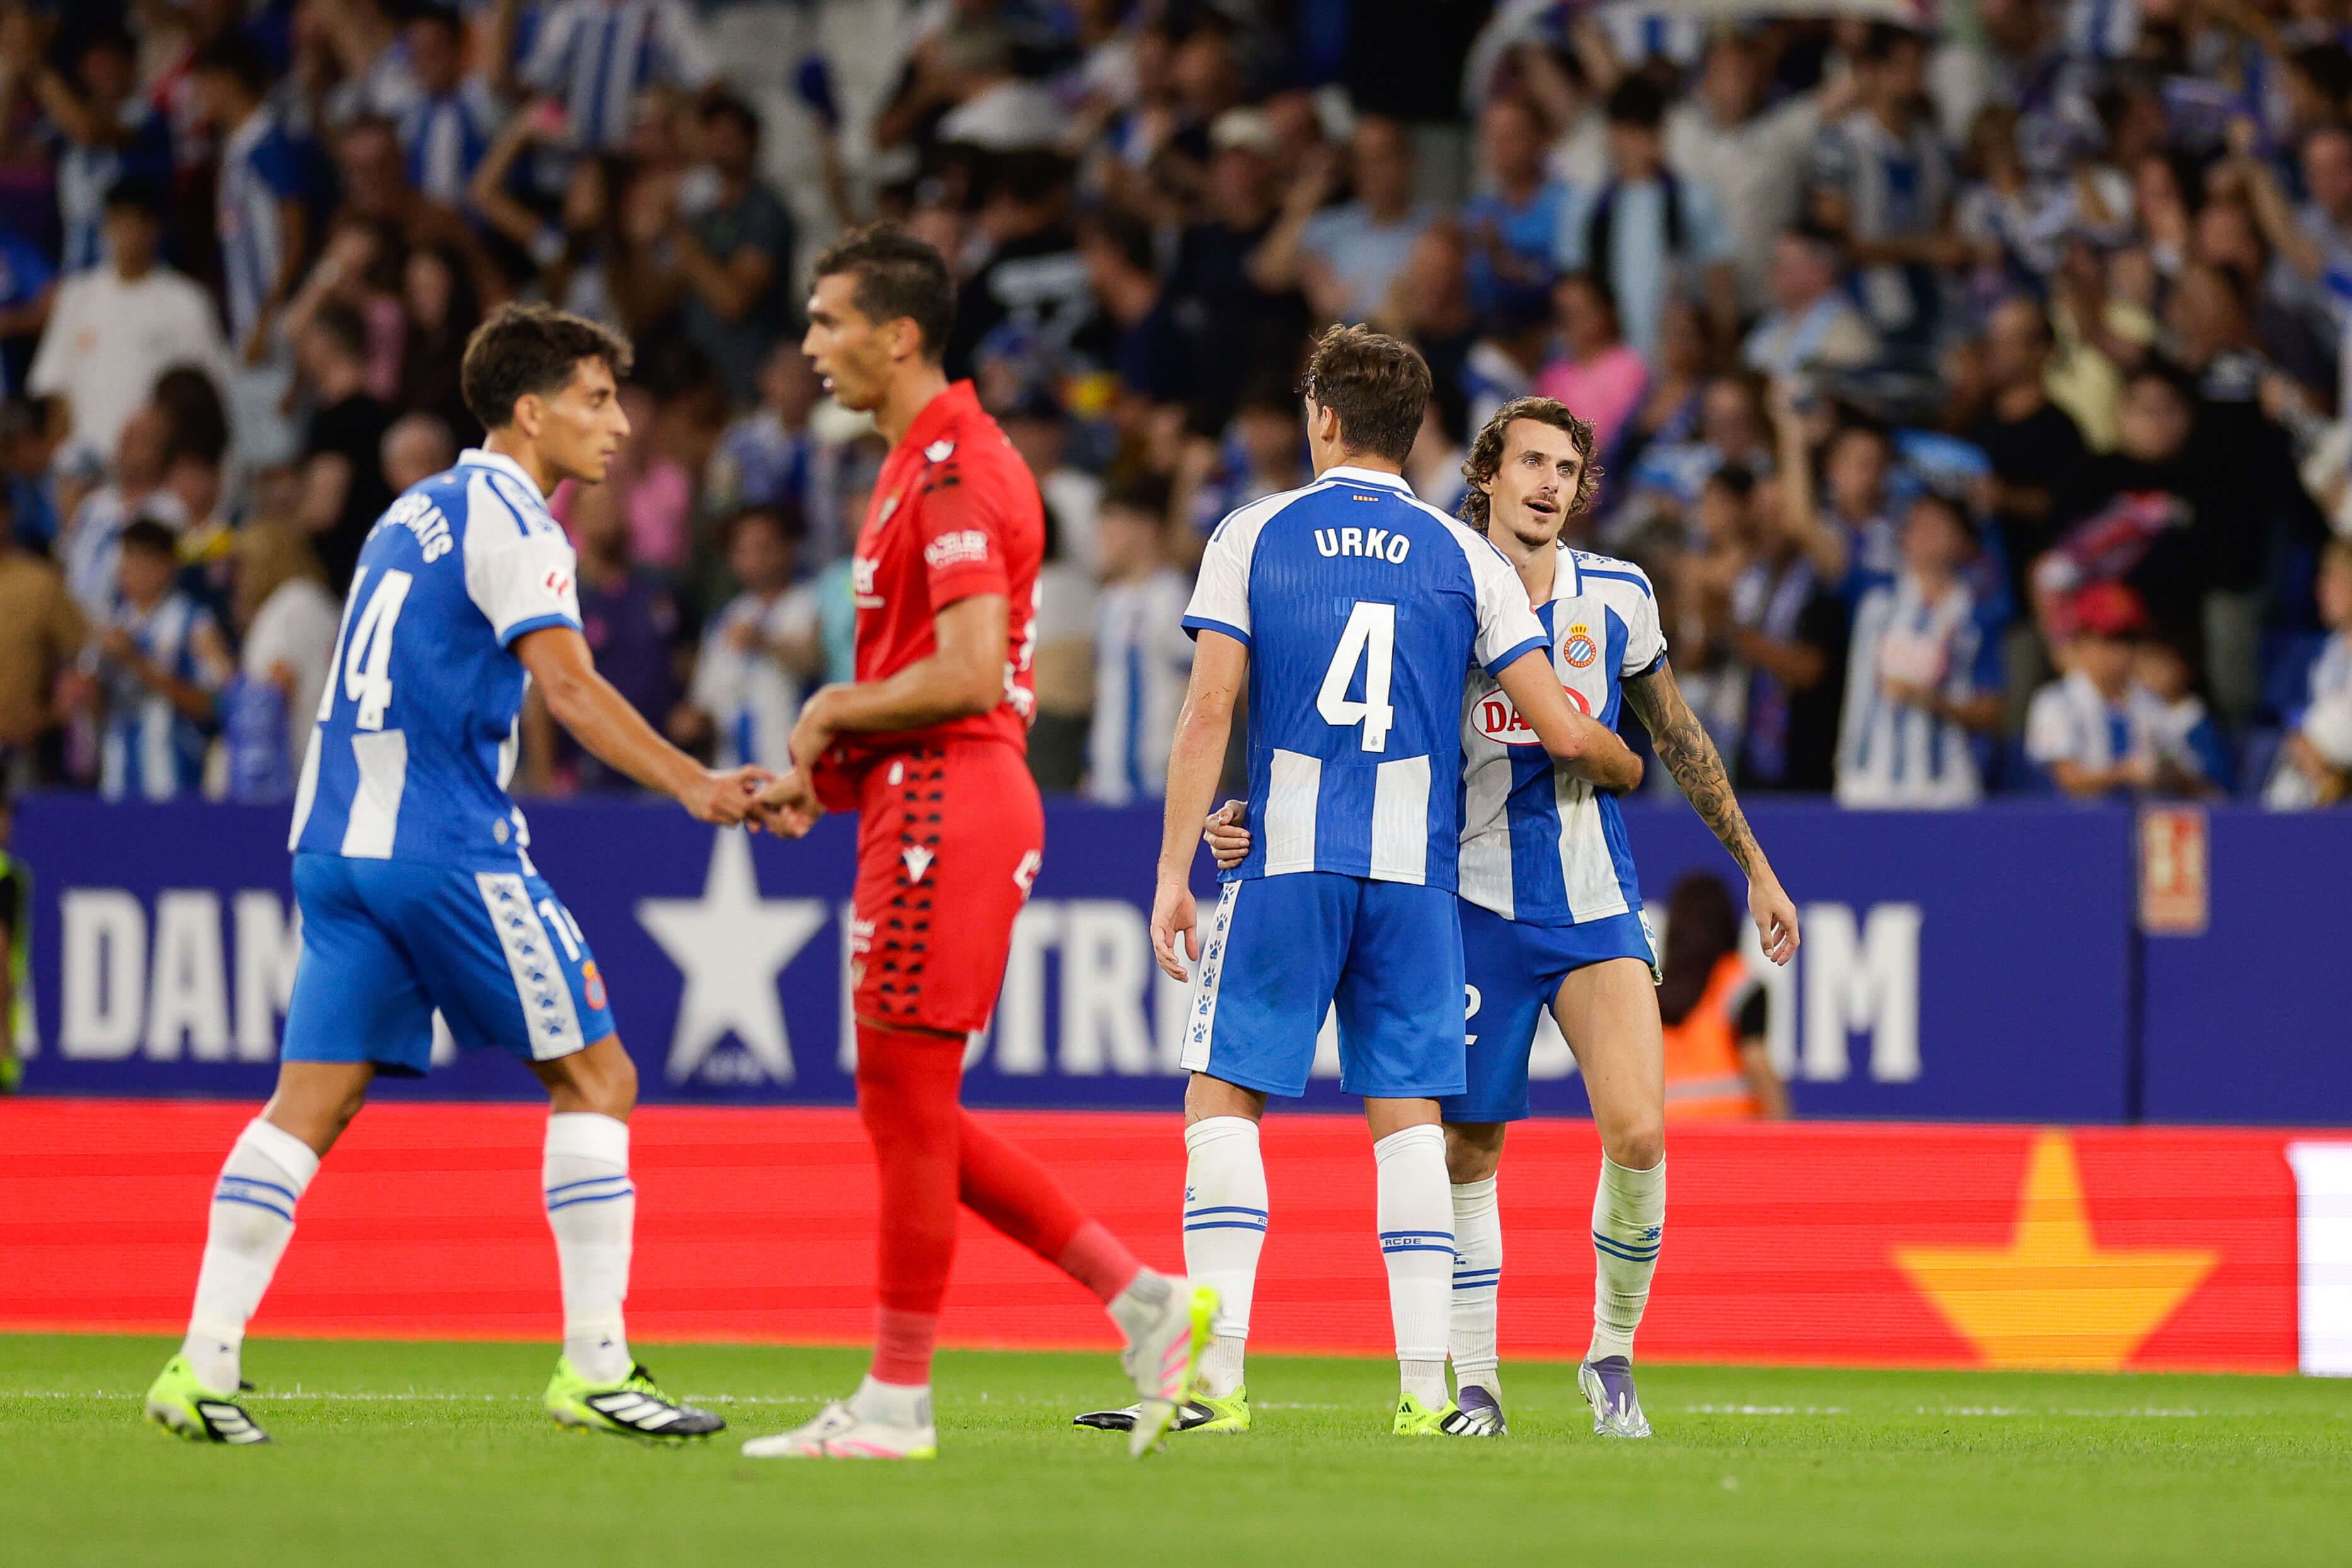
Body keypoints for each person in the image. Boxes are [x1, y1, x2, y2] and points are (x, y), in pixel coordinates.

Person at [144, 303, 768, 1446]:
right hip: (442, 845)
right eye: (595, 399)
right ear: (529, 412)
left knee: (308, 1106)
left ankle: (200, 1360)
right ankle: (595, 1364)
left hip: (333, 843)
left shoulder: (414, 509)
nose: (619, 425)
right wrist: (693, 781)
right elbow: (570, 688)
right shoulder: (521, 522)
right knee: (599, 1076)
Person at [1189, 395, 1799, 1441]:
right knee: (1467, 1152)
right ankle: (1473, 1379)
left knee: (1641, 1131)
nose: (1549, 484)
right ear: (1486, 472)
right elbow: (1351, 721)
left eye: (1567, 467)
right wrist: (1250, 810)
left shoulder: (1616, 595)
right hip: (1464, 901)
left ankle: (1610, 1352)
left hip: (1590, 898)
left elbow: (1674, 734)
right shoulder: (1437, 580)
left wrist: (1754, 865)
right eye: (1530, 462)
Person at [741, 225, 1211, 1462]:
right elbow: (945, 675)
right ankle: (1144, 1300)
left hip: (952, 802)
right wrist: (824, 776)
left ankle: (901, 1398)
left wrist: (832, 709)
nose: (809, 347)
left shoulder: (951, 465)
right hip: (921, 798)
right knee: (909, 1102)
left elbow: (964, 673)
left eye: (828, 321)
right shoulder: (917, 459)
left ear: (896, 333)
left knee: (905, 1099)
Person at [1127, 335, 1643, 1441]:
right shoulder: (1466, 560)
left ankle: (1213, 1385)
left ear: (1320, 415)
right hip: (1417, 878)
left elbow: (1209, 708)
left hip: (1289, 858)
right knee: (1408, 1123)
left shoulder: (1252, 532)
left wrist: (1173, 871)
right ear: (1414, 432)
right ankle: (1422, 1390)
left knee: (1223, 1105)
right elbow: (1557, 724)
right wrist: (1621, 760)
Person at [26, 177, 230, 469]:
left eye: (139, 223)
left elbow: (206, 396)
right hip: (89, 470)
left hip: (159, 473)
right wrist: (61, 467)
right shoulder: (77, 297)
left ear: (156, 229)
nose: (130, 234)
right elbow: (57, 390)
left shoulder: (186, 301)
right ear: (107, 226)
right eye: (120, 222)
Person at [1834, 494, 2006, 807]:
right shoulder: (1873, 598)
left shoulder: (1977, 615)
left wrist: (1933, 702)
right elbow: (1808, 530)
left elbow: (1992, 711)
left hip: (1946, 789)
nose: (1925, 536)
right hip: (1868, 784)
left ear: (1962, 540)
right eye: (1916, 527)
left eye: (1937, 527)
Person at [89, 518, 232, 801]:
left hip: (174, 785)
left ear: (165, 567)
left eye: (135, 561)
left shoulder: (195, 623)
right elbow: (96, 714)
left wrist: (138, 665)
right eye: (124, 561)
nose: (124, 571)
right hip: (117, 786)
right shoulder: (114, 624)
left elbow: (219, 704)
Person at [673, 507, 820, 775]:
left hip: (791, 769)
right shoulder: (726, 618)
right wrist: (693, 720)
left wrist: (763, 642)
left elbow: (814, 663)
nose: (754, 559)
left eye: (764, 547)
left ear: (788, 548)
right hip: (732, 774)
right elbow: (706, 698)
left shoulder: (811, 603)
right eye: (743, 551)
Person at [1086, 473, 1191, 805]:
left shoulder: (1172, 597)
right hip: (1105, 785)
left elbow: (1196, 690)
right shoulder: (1108, 602)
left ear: (1144, 527)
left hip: (1157, 786)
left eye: (1111, 526)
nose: (1102, 537)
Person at [1655, 872, 1789, 1121]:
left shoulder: (1651, 989)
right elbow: (1756, 1062)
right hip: (1729, 1139)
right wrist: (1783, 1134)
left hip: (1666, 1139)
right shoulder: (1741, 986)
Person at [2266, 538, 2352, 808]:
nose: (2321, 592)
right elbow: (2291, 712)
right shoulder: (2316, 654)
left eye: (2334, 580)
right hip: (2309, 778)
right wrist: (2306, 747)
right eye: (2321, 580)